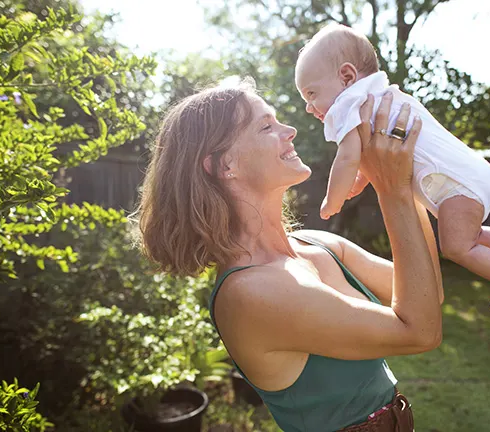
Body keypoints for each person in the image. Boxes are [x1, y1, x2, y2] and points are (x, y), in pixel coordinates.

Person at [134, 80, 443, 431]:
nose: (291, 130)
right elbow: (421, 332)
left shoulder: (318, 244)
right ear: (224, 166)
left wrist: (406, 182)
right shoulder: (250, 293)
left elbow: (428, 295)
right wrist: (393, 189)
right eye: (267, 126)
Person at [294, 23, 490, 321]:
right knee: (471, 235)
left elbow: (347, 157)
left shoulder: (350, 103)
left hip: (455, 183)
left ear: (346, 77)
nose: (310, 107)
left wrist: (332, 200)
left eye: (311, 94)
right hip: (468, 173)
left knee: (457, 246)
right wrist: (362, 179)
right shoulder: (381, 96)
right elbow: (366, 156)